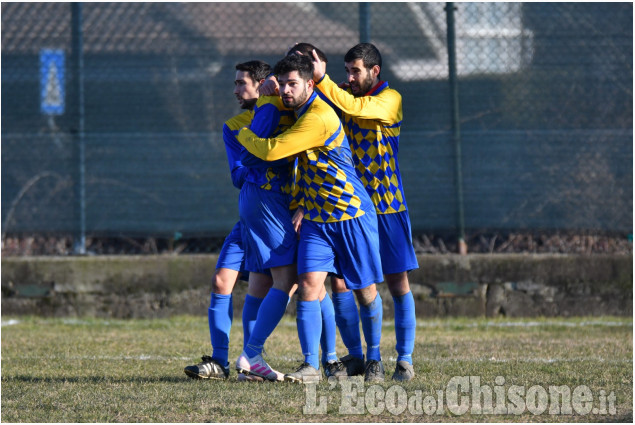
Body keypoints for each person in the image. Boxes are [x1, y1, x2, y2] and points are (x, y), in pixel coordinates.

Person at [237, 54, 385, 383]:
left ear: (310, 84)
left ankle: (374, 357)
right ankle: (311, 366)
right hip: (317, 218)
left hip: (350, 214)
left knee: (364, 291)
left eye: (293, 84)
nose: (287, 91)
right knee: (306, 286)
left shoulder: (317, 115)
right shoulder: (297, 107)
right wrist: (270, 91)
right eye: (283, 84)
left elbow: (273, 150)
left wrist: (244, 135)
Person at [310, 43, 419, 381]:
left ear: (375, 71)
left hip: (387, 207)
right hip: (351, 209)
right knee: (343, 284)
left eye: (355, 71)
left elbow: (356, 108)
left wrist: (323, 80)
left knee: (397, 283)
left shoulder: (391, 99)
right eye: (347, 71)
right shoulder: (342, 94)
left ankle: (404, 359)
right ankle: (360, 357)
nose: (350, 78)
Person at [184, 60, 275, 381]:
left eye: (241, 83)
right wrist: (263, 161)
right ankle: (219, 362)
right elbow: (238, 175)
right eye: (235, 83)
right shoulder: (234, 125)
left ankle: (255, 360)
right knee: (221, 282)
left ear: (263, 84)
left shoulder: (283, 116)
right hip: (248, 218)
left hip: (277, 219)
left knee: (270, 291)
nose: (236, 90)